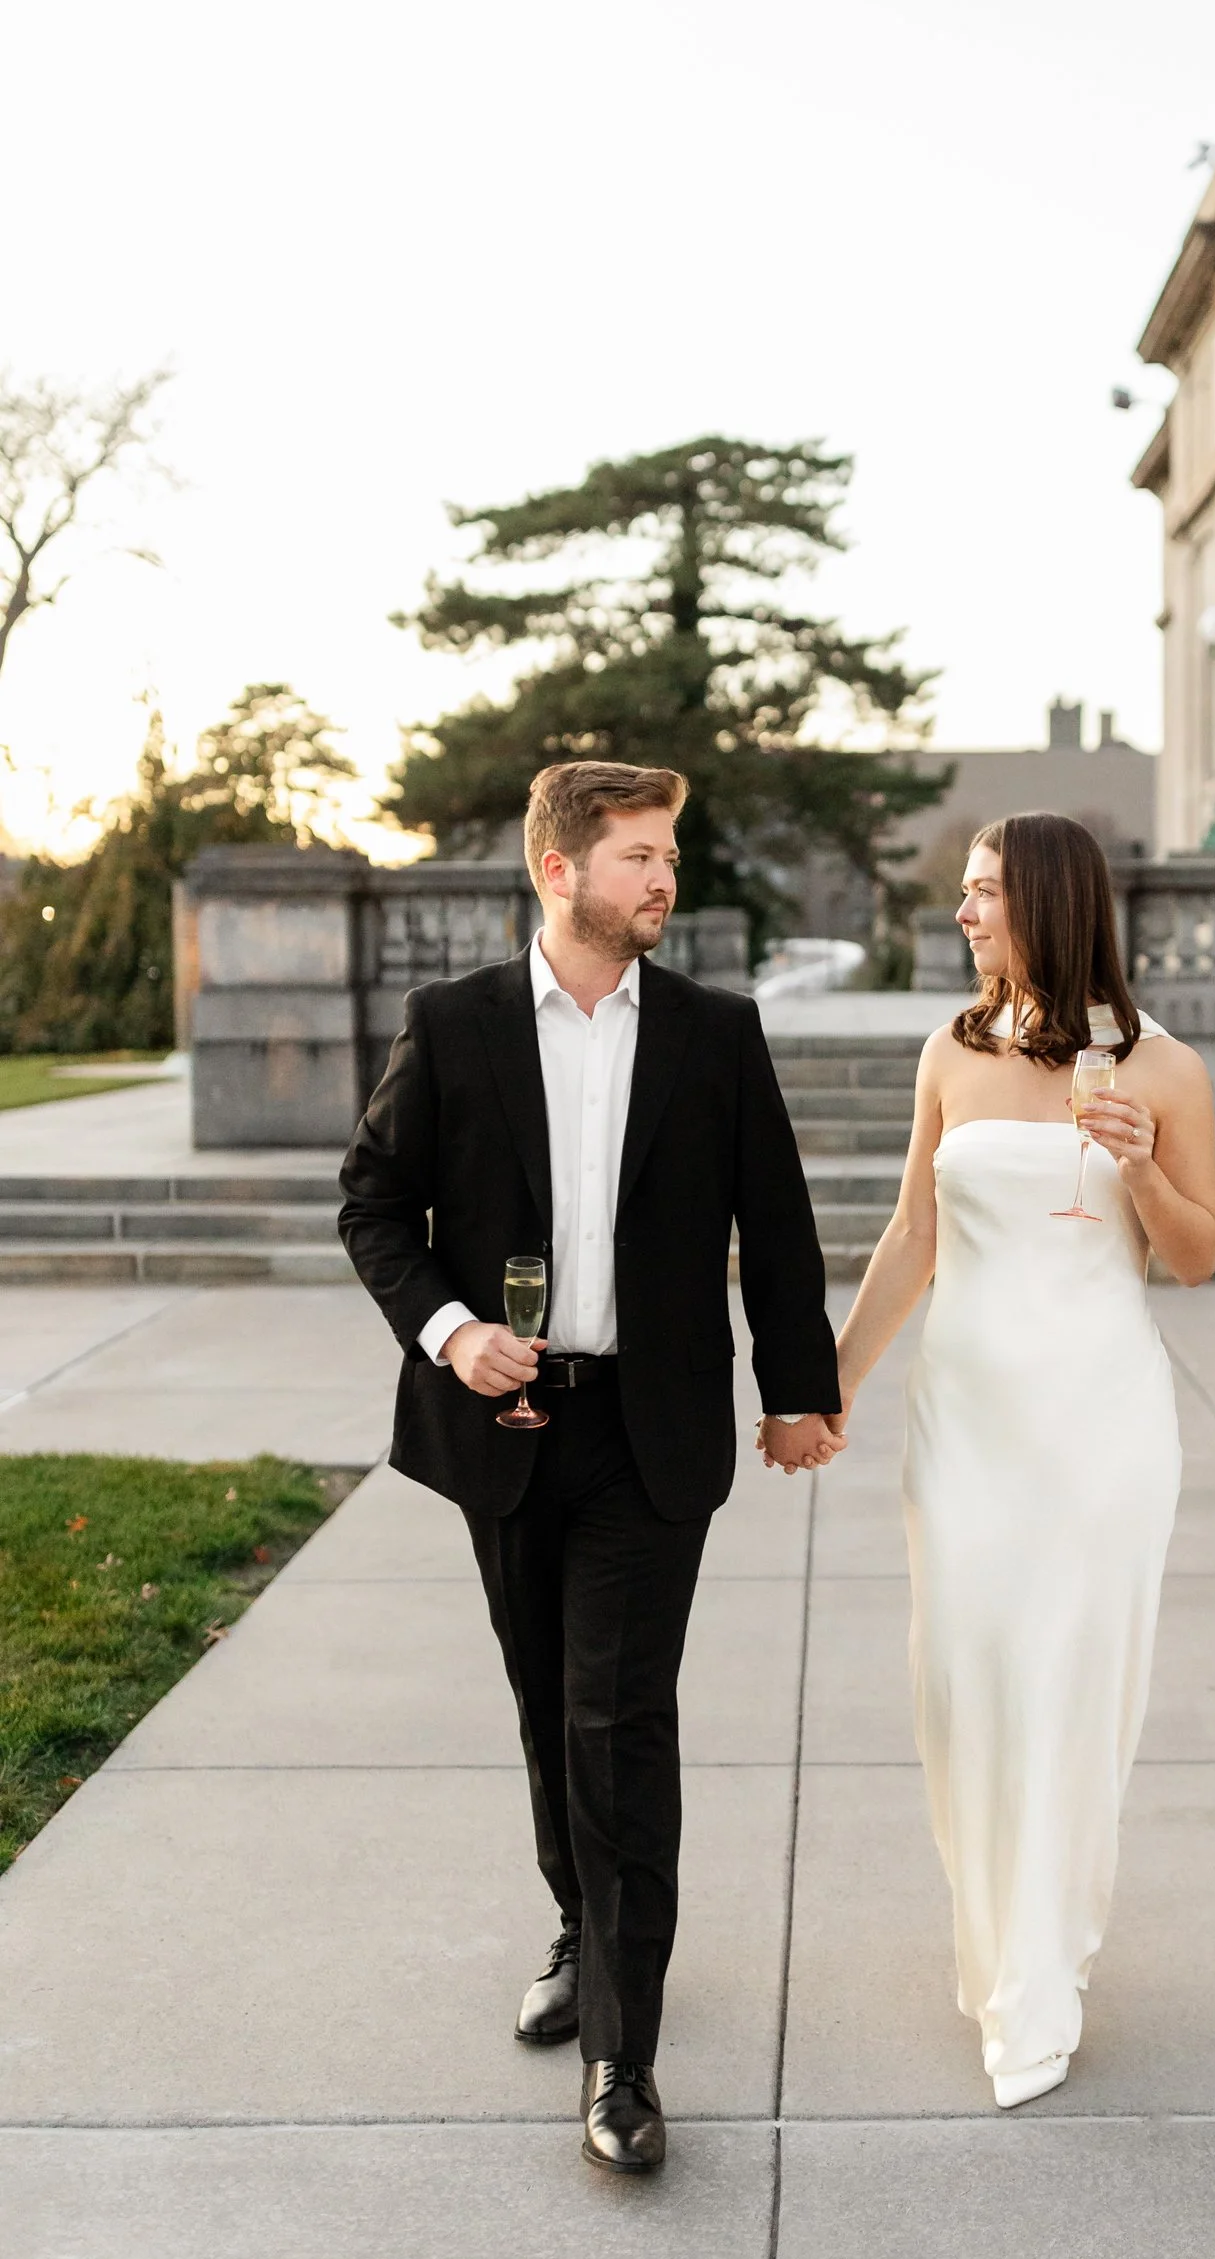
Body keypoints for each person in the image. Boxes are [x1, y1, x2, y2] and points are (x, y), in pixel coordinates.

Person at [338, 760, 844, 2175]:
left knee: (618, 1719)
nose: (664, 878)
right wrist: (452, 1334)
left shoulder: (713, 1032)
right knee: (545, 1701)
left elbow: (777, 1225)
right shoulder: (453, 1025)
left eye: (669, 855)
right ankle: (580, 1922)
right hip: (503, 1429)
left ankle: (624, 2054)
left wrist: (799, 1392)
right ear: (558, 871)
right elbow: (373, 1203)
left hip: (648, 1432)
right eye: (639, 856)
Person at [820, 810, 1215, 2109]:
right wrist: (827, 1385)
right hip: (968, 1426)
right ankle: (996, 1937)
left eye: (984, 890)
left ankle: (1039, 1974)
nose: (964, 911)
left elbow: (1196, 1256)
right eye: (964, 890)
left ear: (1046, 901)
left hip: (1099, 1428)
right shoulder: (950, 1050)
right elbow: (913, 1234)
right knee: (965, 1685)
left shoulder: (1164, 1069)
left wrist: (1140, 1171)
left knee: (1067, 1690)